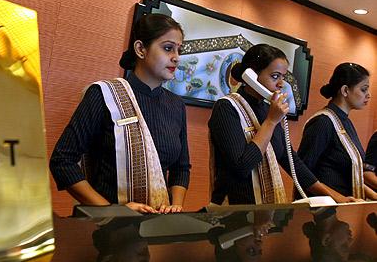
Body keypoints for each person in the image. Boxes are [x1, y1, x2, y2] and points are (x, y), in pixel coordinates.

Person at [50, 13, 190, 214]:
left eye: (179, 49)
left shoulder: (176, 105)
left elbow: (181, 168)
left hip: (159, 226)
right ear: (140, 49)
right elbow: (62, 162)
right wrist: (112, 211)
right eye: (168, 48)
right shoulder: (104, 94)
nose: (176, 57)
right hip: (107, 227)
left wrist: (176, 205)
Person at [208, 44, 352, 205]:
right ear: (251, 76)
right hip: (233, 212)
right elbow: (242, 166)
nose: (281, 84)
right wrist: (271, 121)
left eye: (283, 77)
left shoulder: (266, 109)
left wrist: (335, 197)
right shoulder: (227, 107)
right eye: (275, 76)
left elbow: (290, 160)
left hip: (265, 212)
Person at [298, 63, 377, 200]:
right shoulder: (323, 122)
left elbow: (351, 178)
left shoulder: (346, 123)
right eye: (364, 90)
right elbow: (303, 173)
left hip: (344, 207)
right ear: (345, 90)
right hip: (324, 211)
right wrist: (340, 199)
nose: (368, 95)